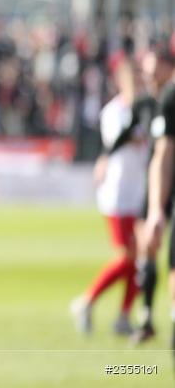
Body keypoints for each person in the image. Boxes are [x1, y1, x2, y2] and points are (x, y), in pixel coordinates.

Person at [70, 57, 147, 335]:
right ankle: (87, 301)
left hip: (137, 192)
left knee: (141, 260)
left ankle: (124, 316)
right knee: (129, 257)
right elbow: (122, 140)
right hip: (116, 194)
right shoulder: (113, 111)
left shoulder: (144, 108)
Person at [131, 46, 175, 344]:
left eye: (153, 66)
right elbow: (161, 152)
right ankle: (147, 315)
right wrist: (157, 207)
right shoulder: (150, 102)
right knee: (147, 244)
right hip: (161, 182)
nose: (148, 73)